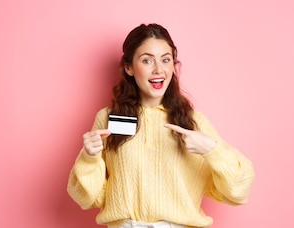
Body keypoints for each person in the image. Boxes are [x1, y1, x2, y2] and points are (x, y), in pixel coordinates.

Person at [67, 23, 255, 228]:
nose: (159, 70)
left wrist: (213, 151)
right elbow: (85, 197)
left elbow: (239, 189)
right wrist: (89, 157)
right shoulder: (108, 118)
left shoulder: (193, 122)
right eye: (147, 60)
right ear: (128, 67)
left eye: (166, 60)